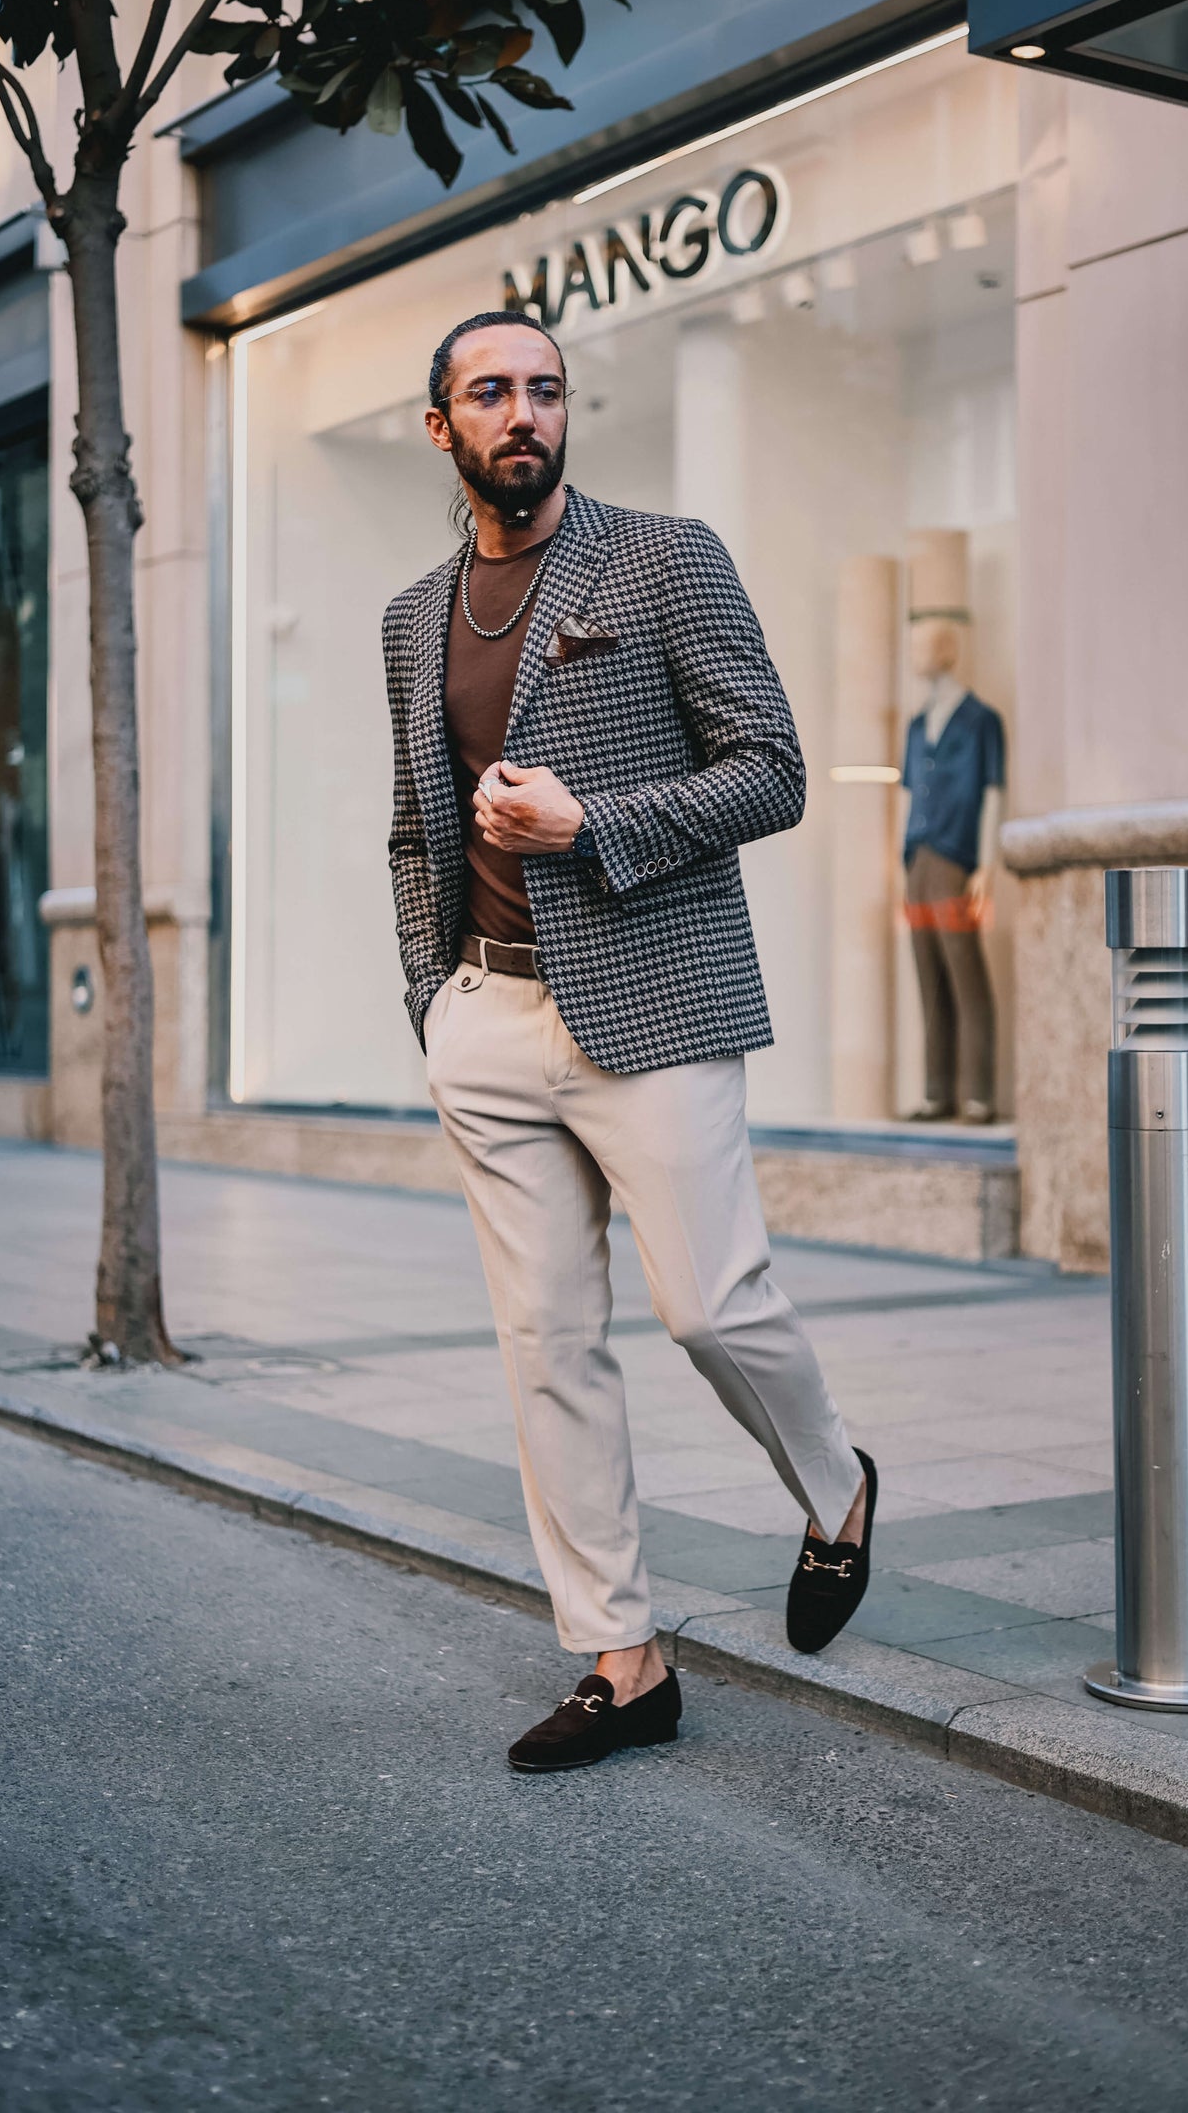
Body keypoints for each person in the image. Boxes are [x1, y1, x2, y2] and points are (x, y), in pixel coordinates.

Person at [383, 309, 876, 1773]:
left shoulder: (663, 559)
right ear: (443, 428)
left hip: (651, 1007)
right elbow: (416, 823)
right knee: (547, 1348)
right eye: (489, 392)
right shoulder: (415, 612)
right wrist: (433, 996)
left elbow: (770, 771)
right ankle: (622, 1657)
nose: (522, 412)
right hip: (486, 1016)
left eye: (542, 389)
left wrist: (594, 825)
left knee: (710, 1306)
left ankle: (837, 1488)